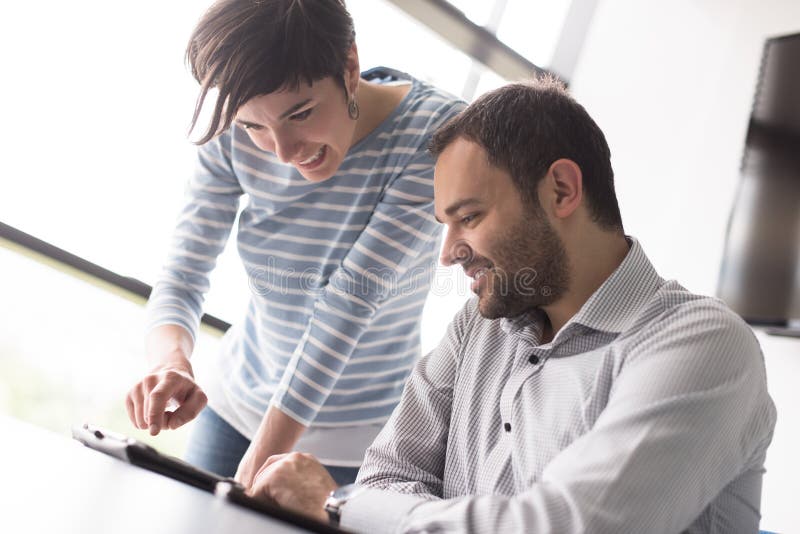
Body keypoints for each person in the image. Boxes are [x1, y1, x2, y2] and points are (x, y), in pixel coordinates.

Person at [245, 79, 777, 533]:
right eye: (445, 225)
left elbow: (563, 526)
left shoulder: (702, 344)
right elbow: (386, 477)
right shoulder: (477, 329)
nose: (449, 254)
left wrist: (341, 505)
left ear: (562, 190)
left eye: (469, 218)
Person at [124, 0, 464, 487]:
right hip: (236, 407)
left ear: (349, 66)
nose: (283, 152)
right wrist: (170, 360)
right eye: (254, 127)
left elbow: (348, 305)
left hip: (359, 442)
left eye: (300, 114)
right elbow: (184, 270)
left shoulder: (433, 134)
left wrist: (246, 480)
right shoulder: (233, 118)